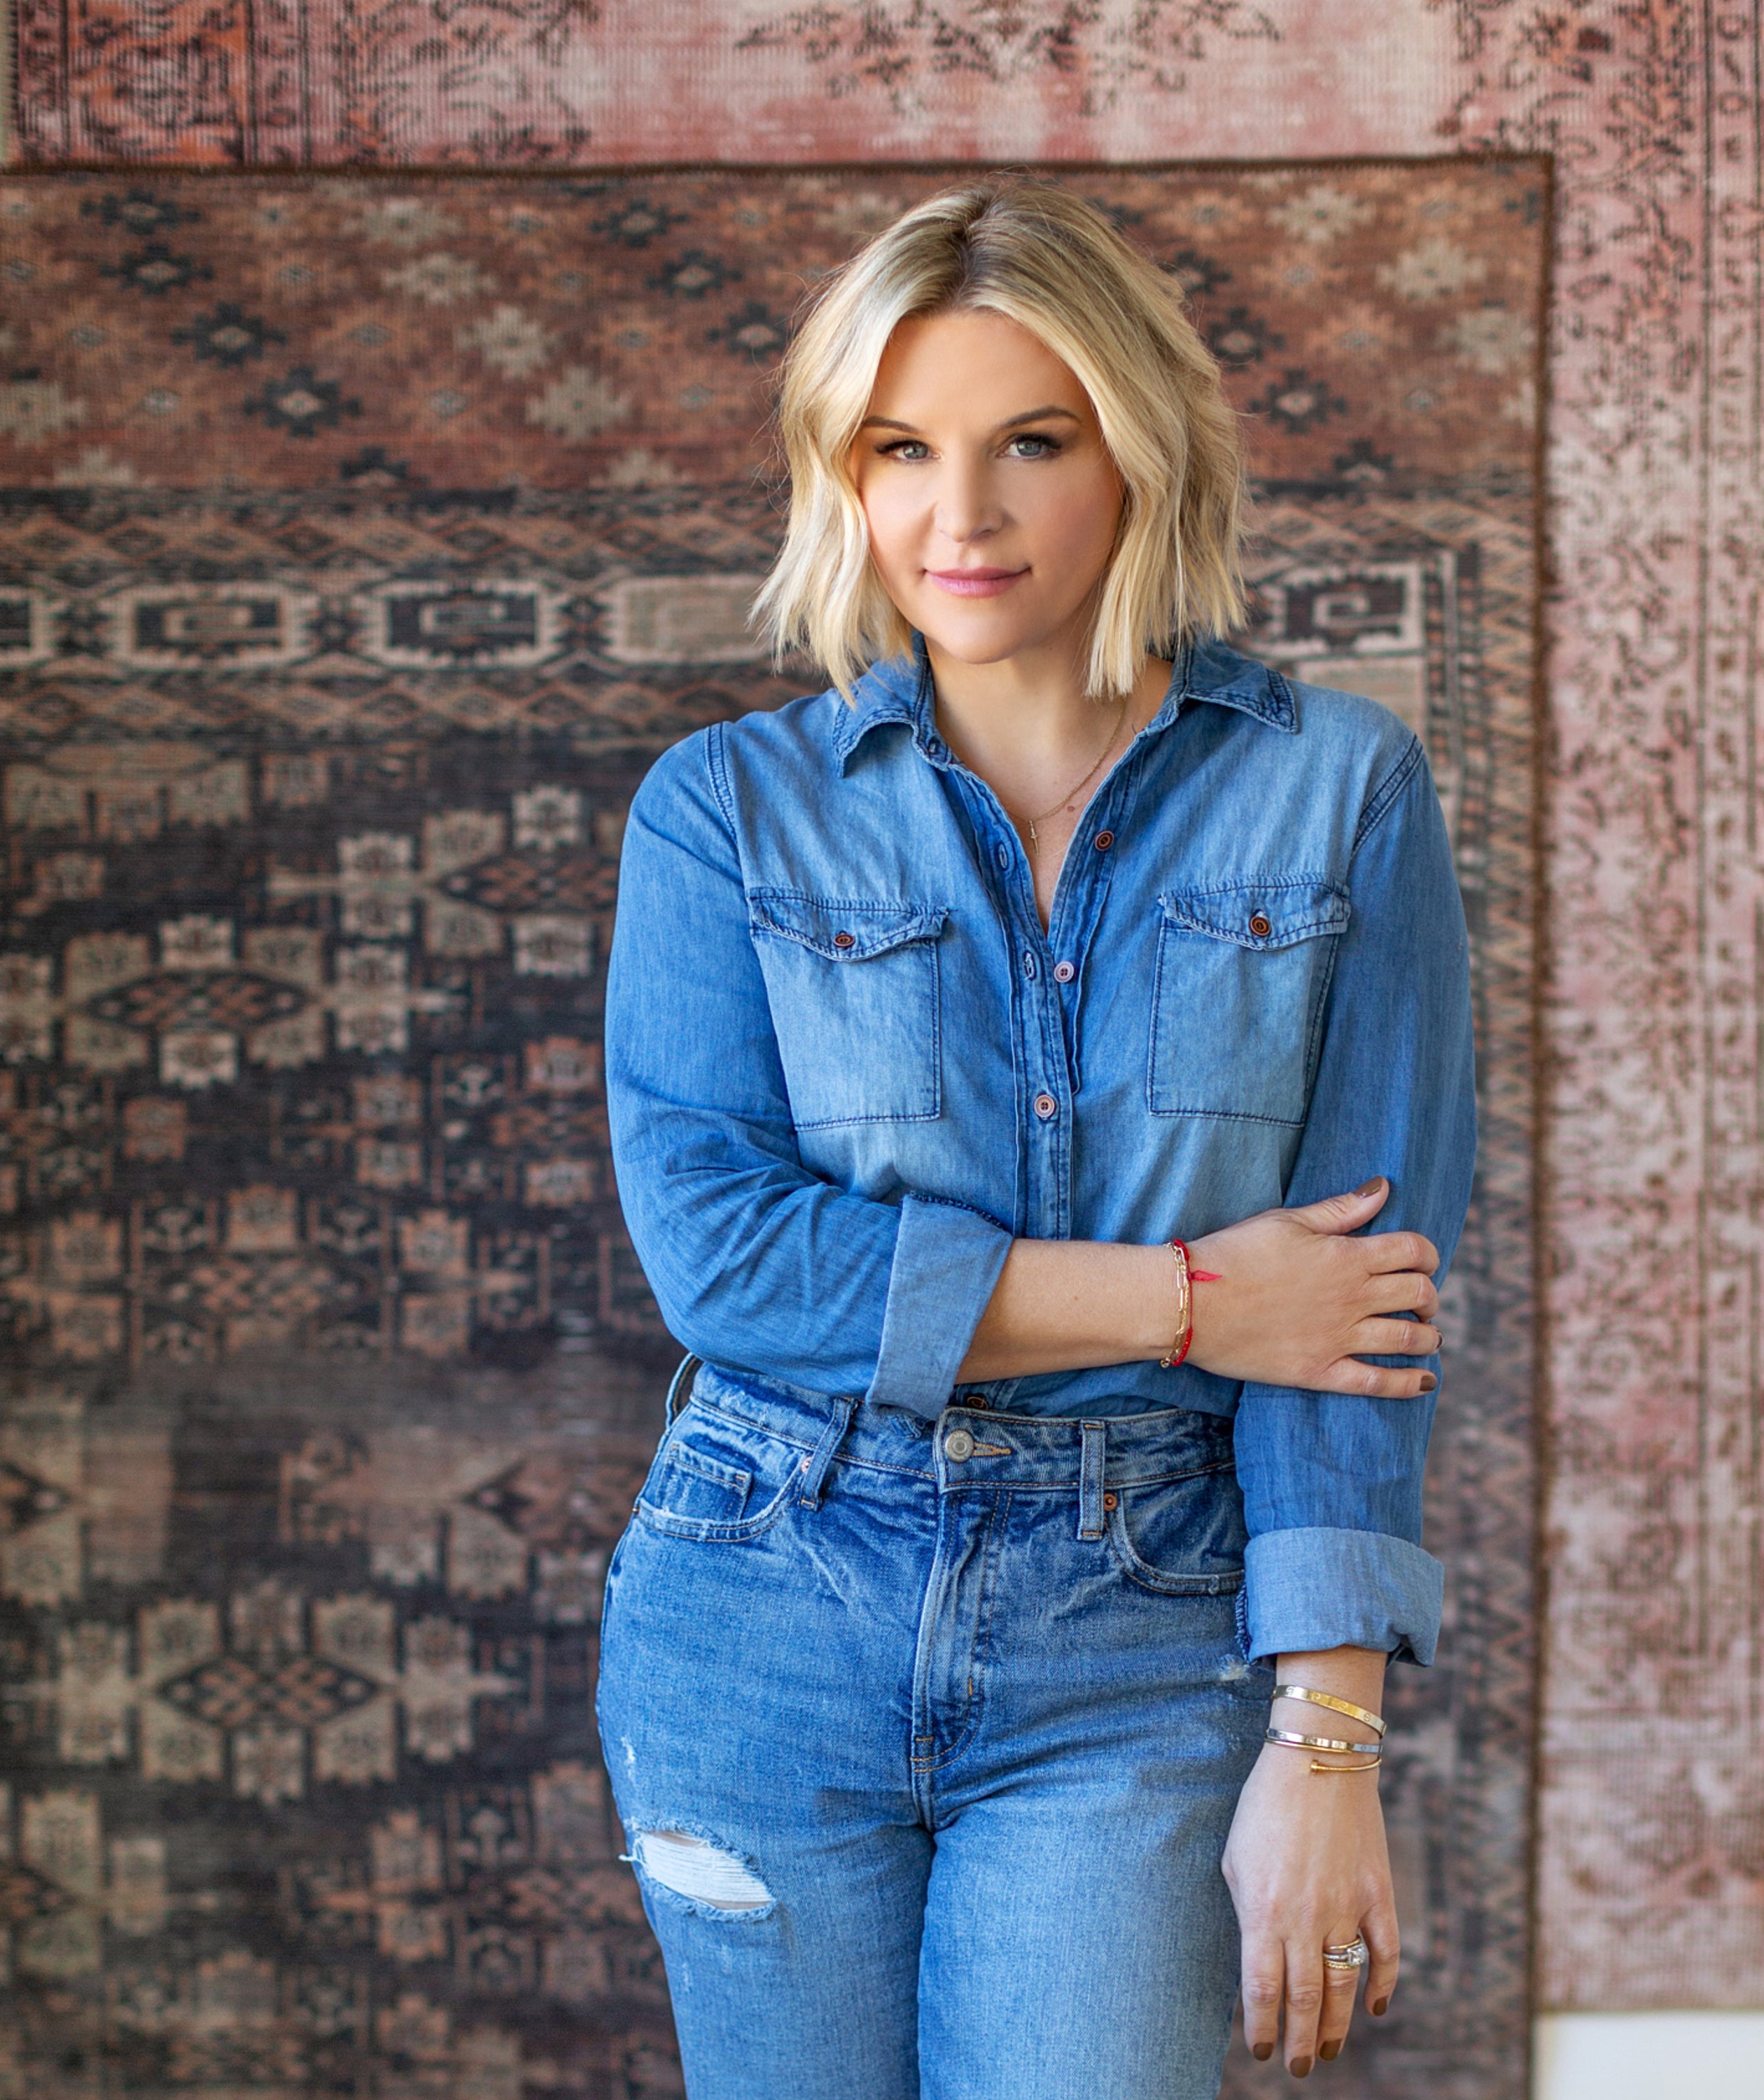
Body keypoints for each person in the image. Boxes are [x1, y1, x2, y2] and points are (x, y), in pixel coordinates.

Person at [598, 179, 1476, 2100]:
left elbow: (1361, 1311)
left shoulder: (1339, 792)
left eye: (1032, 443)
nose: (961, 516)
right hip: (763, 1591)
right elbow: (727, 1261)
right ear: (840, 476)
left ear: (1142, 454)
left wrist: (1327, 1742)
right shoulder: (724, 811)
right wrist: (1192, 1302)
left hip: (1142, 1626)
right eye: (900, 449)